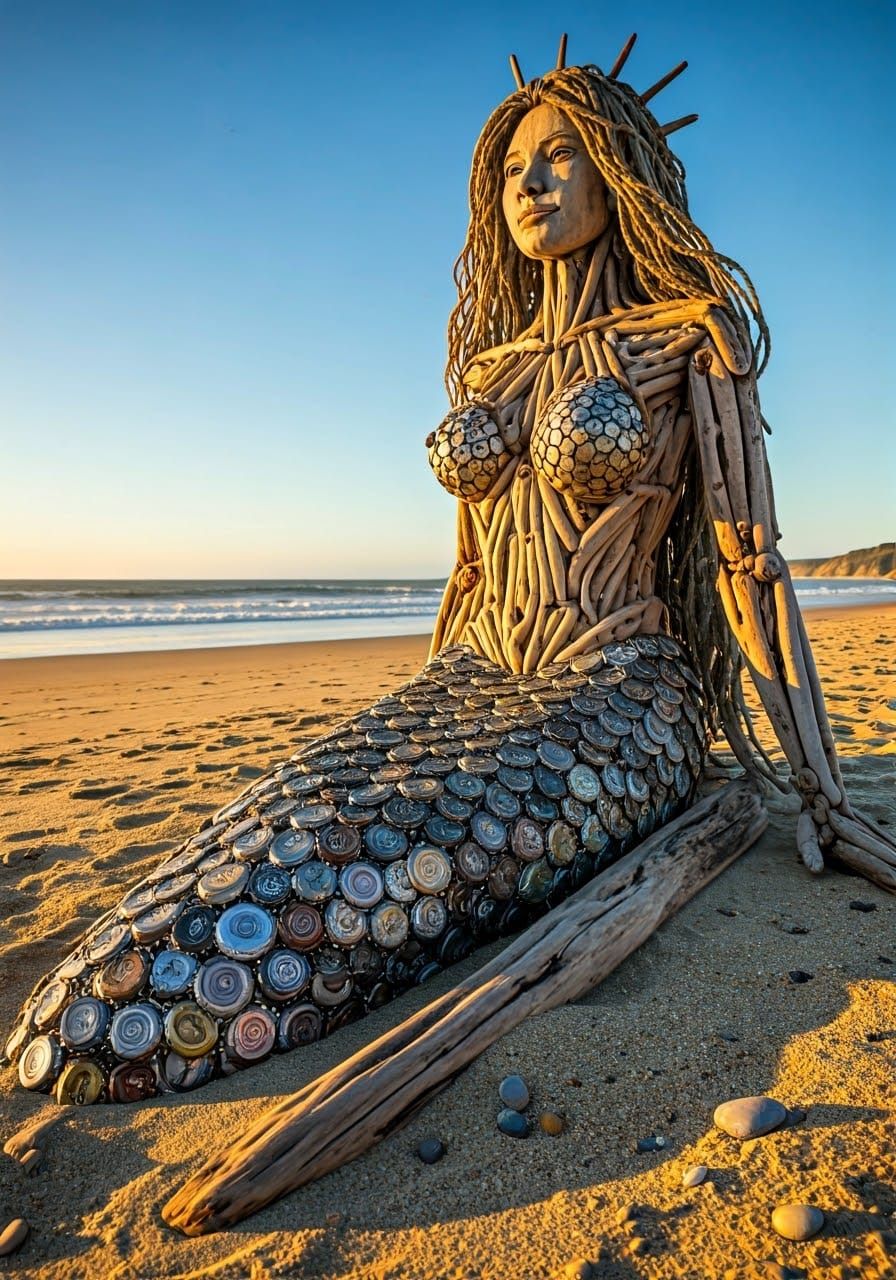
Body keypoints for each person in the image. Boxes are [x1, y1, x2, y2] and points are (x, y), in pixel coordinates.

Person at [7, 42, 892, 1106]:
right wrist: (421, 707)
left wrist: (820, 792)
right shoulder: (489, 366)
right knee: (303, 806)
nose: (531, 183)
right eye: (516, 165)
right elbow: (469, 570)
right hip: (473, 677)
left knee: (380, 863)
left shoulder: (686, 338)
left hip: (617, 687)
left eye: (562, 155)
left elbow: (748, 560)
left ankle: (143, 1026)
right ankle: (112, 1007)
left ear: (621, 170)